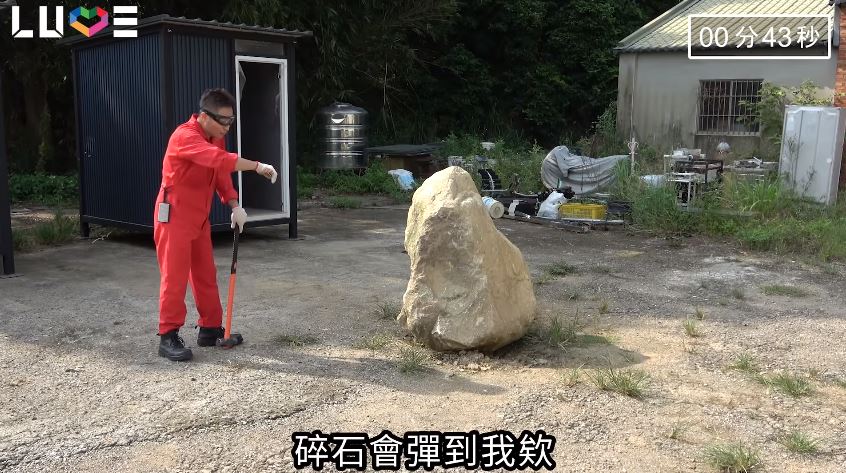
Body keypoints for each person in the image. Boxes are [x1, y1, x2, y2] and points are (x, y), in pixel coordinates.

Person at [154, 88, 277, 361]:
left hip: (199, 216)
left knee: (205, 274)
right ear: (204, 116)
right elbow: (219, 160)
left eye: (231, 121)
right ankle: (168, 335)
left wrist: (234, 205)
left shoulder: (215, 137)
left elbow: (220, 173)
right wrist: (257, 166)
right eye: (223, 121)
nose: (227, 127)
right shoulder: (185, 136)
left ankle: (210, 329)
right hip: (174, 215)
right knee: (175, 277)